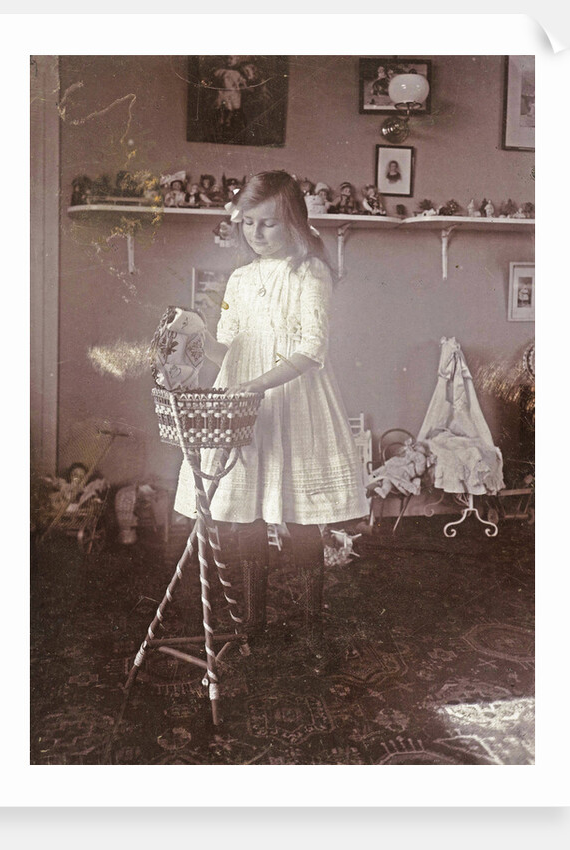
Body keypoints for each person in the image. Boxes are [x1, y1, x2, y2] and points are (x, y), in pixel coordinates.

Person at [172, 170, 368, 673]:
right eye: (248, 224)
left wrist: (254, 387)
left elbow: (310, 350)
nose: (256, 235)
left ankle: (310, 629)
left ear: (296, 224)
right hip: (241, 406)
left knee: (300, 524)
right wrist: (188, 338)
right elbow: (229, 345)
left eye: (269, 225)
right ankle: (251, 627)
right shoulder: (240, 279)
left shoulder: (309, 272)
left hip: (292, 399)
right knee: (247, 521)